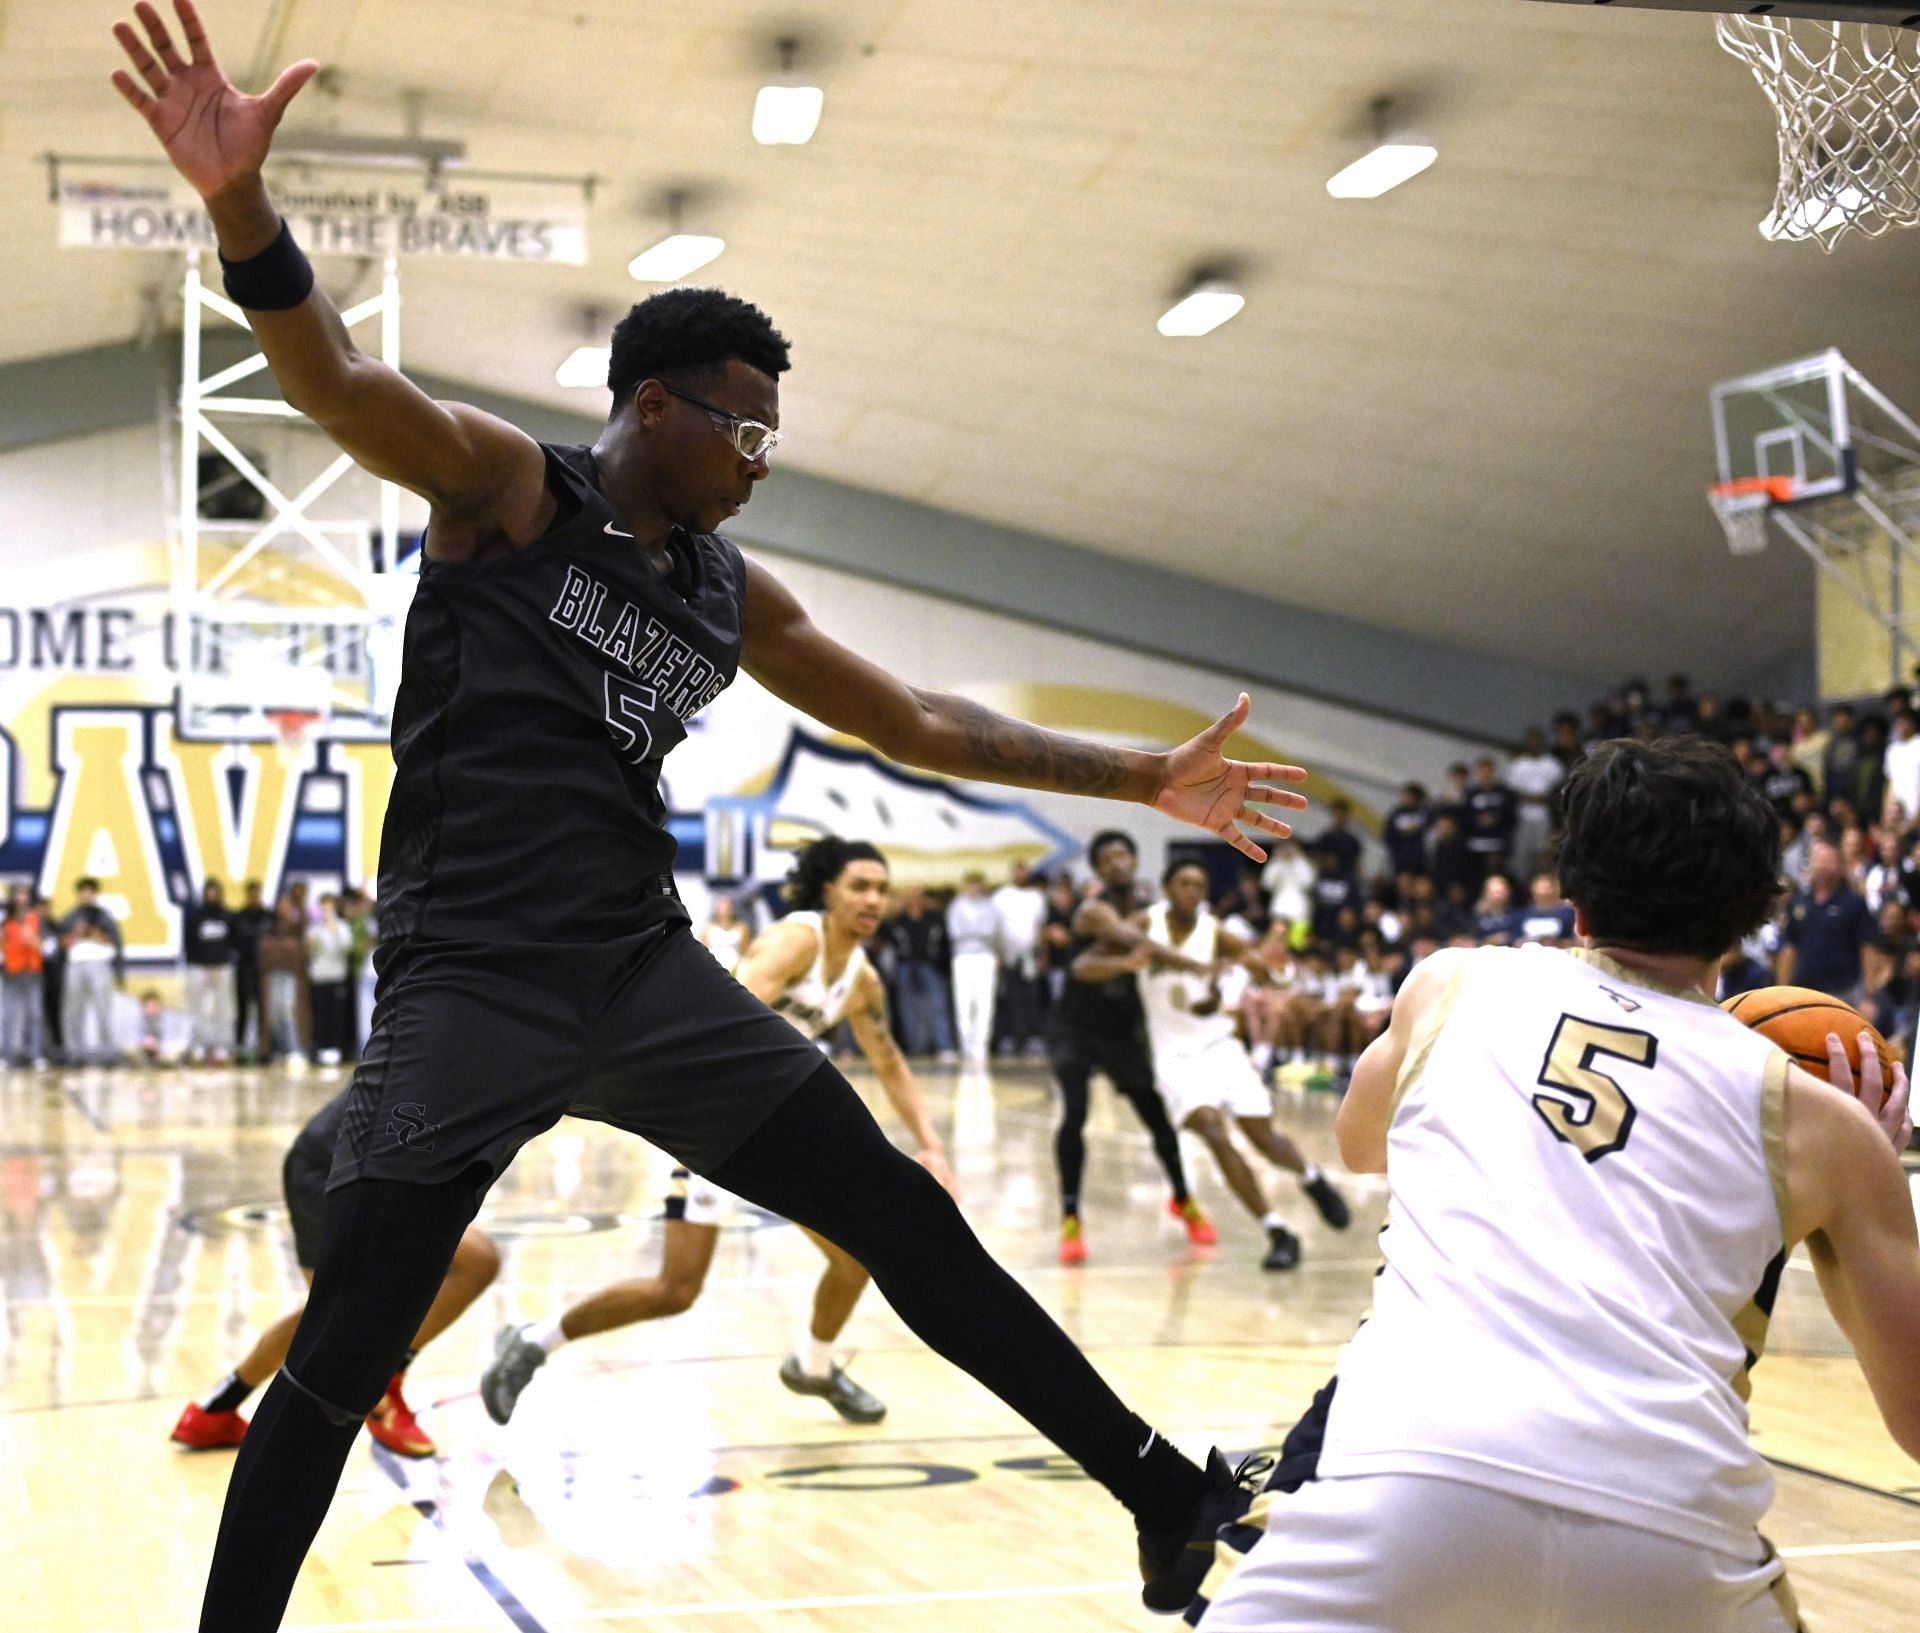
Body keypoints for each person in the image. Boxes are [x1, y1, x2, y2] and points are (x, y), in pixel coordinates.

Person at [108, 10, 1307, 1622]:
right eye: (743, 428)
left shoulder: (728, 590)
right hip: (471, 978)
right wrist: (241, 207)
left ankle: (1161, 1496)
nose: (760, 460)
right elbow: (328, 377)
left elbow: (926, 721)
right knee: (346, 1349)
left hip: (644, 972)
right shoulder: (508, 491)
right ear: (656, 406)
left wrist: (1144, 779)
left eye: (772, 436)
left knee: (902, 1215)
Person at [1187, 737, 1920, 1632]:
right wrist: (1849, 1196)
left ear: (1572, 898)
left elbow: (1356, 1144)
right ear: (1757, 914)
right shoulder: (1826, 1126)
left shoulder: (1454, 983)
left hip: (1409, 1482)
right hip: (1670, 1531)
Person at [481, 837, 956, 1428]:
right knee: (674, 1290)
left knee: (857, 1256)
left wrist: (931, 1144)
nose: (873, 899)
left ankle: (812, 1365)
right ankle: (532, 1339)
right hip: (714, 1124)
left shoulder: (862, 981)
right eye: (860, 885)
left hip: (772, 1131)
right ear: (827, 890)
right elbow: (732, 1005)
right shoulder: (797, 938)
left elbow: (890, 1062)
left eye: (882, 889)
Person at [171, 1085, 499, 1458]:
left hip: (352, 1159)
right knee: (467, 1265)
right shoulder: (489, 1042)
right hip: (350, 1165)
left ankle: (215, 1409)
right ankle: (381, 1385)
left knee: (334, 1314)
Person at [1076, 859, 1349, 1270]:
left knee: (1263, 1138)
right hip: (1173, 1054)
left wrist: (1275, 966)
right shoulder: (1144, 925)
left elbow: (1268, 976)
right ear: (1167, 888)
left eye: (1199, 884)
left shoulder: (1215, 931)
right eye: (1184, 883)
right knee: (1211, 1131)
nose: (1192, 891)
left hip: (1219, 1045)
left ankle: (1311, 1177)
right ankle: (1276, 1229)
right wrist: (1123, 965)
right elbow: (1083, 965)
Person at [1051, 830, 1218, 1264]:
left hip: (1122, 1031)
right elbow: (1136, 945)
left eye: (1124, 854)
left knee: (1158, 1119)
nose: (1118, 863)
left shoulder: (1150, 912)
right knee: (1074, 1115)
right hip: (1074, 1028)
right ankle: (1071, 1215)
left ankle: (1182, 1197)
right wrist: (1199, 965)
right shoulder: (1094, 911)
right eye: (1107, 858)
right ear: (1097, 869)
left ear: (1135, 858)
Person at [1776, 840, 1878, 1003]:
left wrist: (1869, 995)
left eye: (1827, 860)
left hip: (1843, 993)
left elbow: (1867, 948)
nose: (1822, 866)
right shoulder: (1798, 902)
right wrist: (1780, 990)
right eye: (1818, 860)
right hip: (1804, 992)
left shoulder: (1854, 903)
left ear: (1840, 866)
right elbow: (1789, 946)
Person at [880, 884, 956, 1059]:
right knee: (908, 1008)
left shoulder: (934, 919)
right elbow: (882, 933)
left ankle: (944, 1046)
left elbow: (944, 943)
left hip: (929, 965)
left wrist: (941, 964)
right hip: (905, 966)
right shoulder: (898, 921)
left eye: (919, 896)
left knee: (937, 1006)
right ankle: (915, 1047)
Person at [59, 876, 123, 1065]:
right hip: (76, 963)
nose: (86, 895)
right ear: (78, 895)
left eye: (90, 892)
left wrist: (92, 932)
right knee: (73, 1009)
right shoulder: (70, 916)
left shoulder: (103, 915)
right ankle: (74, 1052)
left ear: (95, 894)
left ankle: (108, 1052)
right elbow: (62, 943)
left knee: (103, 1007)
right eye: (83, 892)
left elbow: (112, 940)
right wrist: (76, 933)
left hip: (98, 963)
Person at [991, 860, 1048, 1055]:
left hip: (1029, 956)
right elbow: (996, 928)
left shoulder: (1036, 897)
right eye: (1018, 871)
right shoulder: (1000, 897)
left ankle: (1032, 1037)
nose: (1021, 875)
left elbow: (1040, 928)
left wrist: (1043, 955)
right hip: (1008, 956)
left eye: (1024, 871)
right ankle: (1010, 1037)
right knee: (1009, 997)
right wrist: (997, 953)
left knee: (1031, 997)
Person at [946, 870, 999, 1067]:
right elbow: (956, 932)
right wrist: (976, 930)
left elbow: (990, 931)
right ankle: (966, 1046)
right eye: (971, 882)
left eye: (978, 882)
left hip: (985, 956)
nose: (975, 887)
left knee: (984, 1003)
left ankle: (981, 1047)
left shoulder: (990, 906)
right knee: (964, 1002)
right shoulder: (957, 906)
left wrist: (973, 930)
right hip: (963, 957)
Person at [181, 878, 235, 1065]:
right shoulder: (195, 917)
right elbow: (188, 943)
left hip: (222, 968)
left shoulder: (228, 916)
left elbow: (233, 944)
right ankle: (198, 1046)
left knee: (223, 1010)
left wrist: (221, 964)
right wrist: (201, 964)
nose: (212, 896)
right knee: (198, 1010)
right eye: (209, 892)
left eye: (215, 892)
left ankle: (222, 1047)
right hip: (199, 968)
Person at [2, 885, 49, 1068]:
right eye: (18, 894)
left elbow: (45, 947)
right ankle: (6, 1056)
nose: (21, 898)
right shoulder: (6, 921)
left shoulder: (36, 919)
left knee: (35, 1014)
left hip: (32, 972)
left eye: (24, 895)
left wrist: (32, 939)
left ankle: (36, 1055)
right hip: (12, 972)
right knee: (8, 1016)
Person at [305, 894, 353, 1065]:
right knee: (320, 1016)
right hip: (319, 978)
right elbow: (310, 953)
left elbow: (346, 949)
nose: (326, 911)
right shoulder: (313, 929)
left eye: (329, 908)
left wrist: (334, 930)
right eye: (323, 908)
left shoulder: (342, 926)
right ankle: (322, 1049)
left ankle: (337, 1049)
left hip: (336, 977)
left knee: (337, 1015)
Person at [229, 879, 271, 1061]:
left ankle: (264, 1048)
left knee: (263, 1009)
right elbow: (232, 944)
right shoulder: (239, 917)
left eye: (257, 893)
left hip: (263, 969)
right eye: (251, 893)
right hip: (244, 967)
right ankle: (239, 1047)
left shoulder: (267, 917)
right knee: (243, 1009)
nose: (254, 897)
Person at [696, 890, 750, 974]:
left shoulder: (741, 928)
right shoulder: (707, 929)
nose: (724, 909)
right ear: (716, 909)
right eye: (721, 906)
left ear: (732, 908)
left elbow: (746, 951)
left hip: (736, 970)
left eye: (726, 905)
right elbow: (701, 953)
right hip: (713, 969)